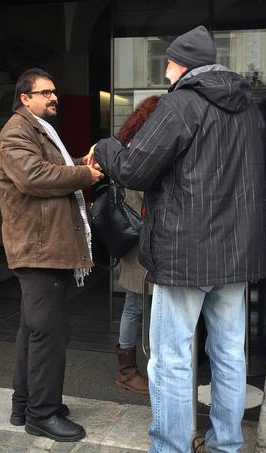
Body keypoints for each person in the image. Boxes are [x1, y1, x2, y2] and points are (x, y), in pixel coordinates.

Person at [91, 26, 266, 452]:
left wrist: (105, 146)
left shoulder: (180, 105)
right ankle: (226, 442)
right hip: (236, 254)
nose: (165, 69)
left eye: (167, 61)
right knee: (229, 355)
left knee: (169, 358)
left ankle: (169, 446)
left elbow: (133, 168)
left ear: (180, 63)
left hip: (185, 254)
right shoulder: (249, 111)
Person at [0, 67, 103, 442]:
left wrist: (78, 165)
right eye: (46, 92)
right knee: (48, 333)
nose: (53, 97)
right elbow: (34, 178)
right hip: (39, 249)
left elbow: (48, 168)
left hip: (43, 247)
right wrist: (82, 177)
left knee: (33, 329)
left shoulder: (34, 128)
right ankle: (42, 414)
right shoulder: (16, 130)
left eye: (54, 91)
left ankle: (24, 404)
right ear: (25, 97)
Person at [113, 96, 161, 396]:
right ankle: (128, 372)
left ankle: (133, 369)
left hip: (138, 238)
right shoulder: (140, 151)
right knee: (137, 305)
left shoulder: (129, 146)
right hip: (142, 239)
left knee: (138, 305)